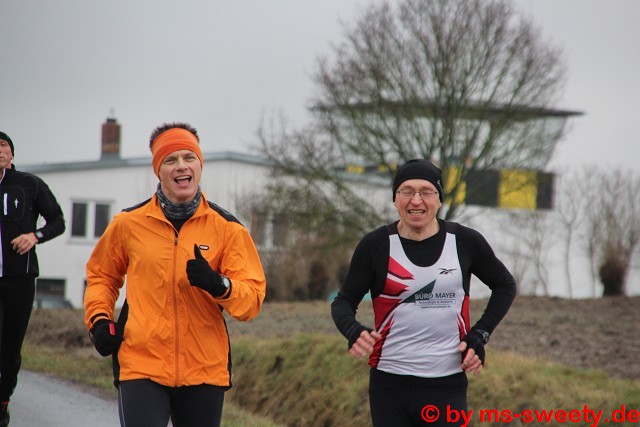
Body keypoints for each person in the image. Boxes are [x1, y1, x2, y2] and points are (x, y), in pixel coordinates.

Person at [83, 123, 267, 427]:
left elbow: (252, 300)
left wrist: (218, 284)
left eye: (189, 157)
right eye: (171, 160)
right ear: (159, 170)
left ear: (199, 166)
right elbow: (102, 276)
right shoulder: (128, 224)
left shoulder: (228, 229)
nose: (181, 165)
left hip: (204, 368)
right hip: (141, 363)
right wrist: (100, 320)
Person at [331, 159, 517, 426]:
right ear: (395, 199)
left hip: (447, 386)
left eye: (426, 192)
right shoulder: (376, 245)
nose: (416, 200)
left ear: (439, 200)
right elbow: (343, 301)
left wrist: (480, 334)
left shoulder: (464, 241)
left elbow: (505, 285)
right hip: (389, 387)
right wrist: (354, 331)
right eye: (406, 191)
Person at [0, 131, 66, 427]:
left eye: (3, 146)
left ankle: (3, 400)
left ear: (12, 154)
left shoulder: (29, 184)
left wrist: (34, 236)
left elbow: (58, 221)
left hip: (20, 279)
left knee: (10, 348)